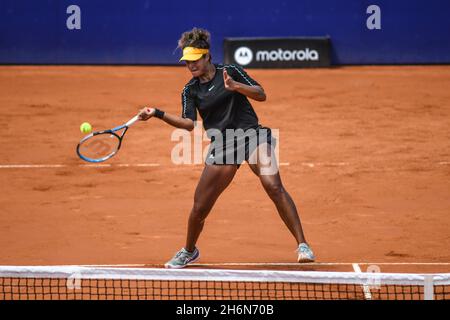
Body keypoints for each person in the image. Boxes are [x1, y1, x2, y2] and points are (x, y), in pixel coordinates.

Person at [138, 27, 315, 268]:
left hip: (252, 134)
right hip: (222, 144)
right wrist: (157, 113)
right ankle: (189, 250)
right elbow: (189, 124)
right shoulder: (190, 90)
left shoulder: (230, 71)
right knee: (200, 207)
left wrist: (236, 86)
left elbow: (261, 94)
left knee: (273, 185)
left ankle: (303, 245)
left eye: (195, 60)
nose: (190, 66)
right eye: (187, 62)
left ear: (207, 55)